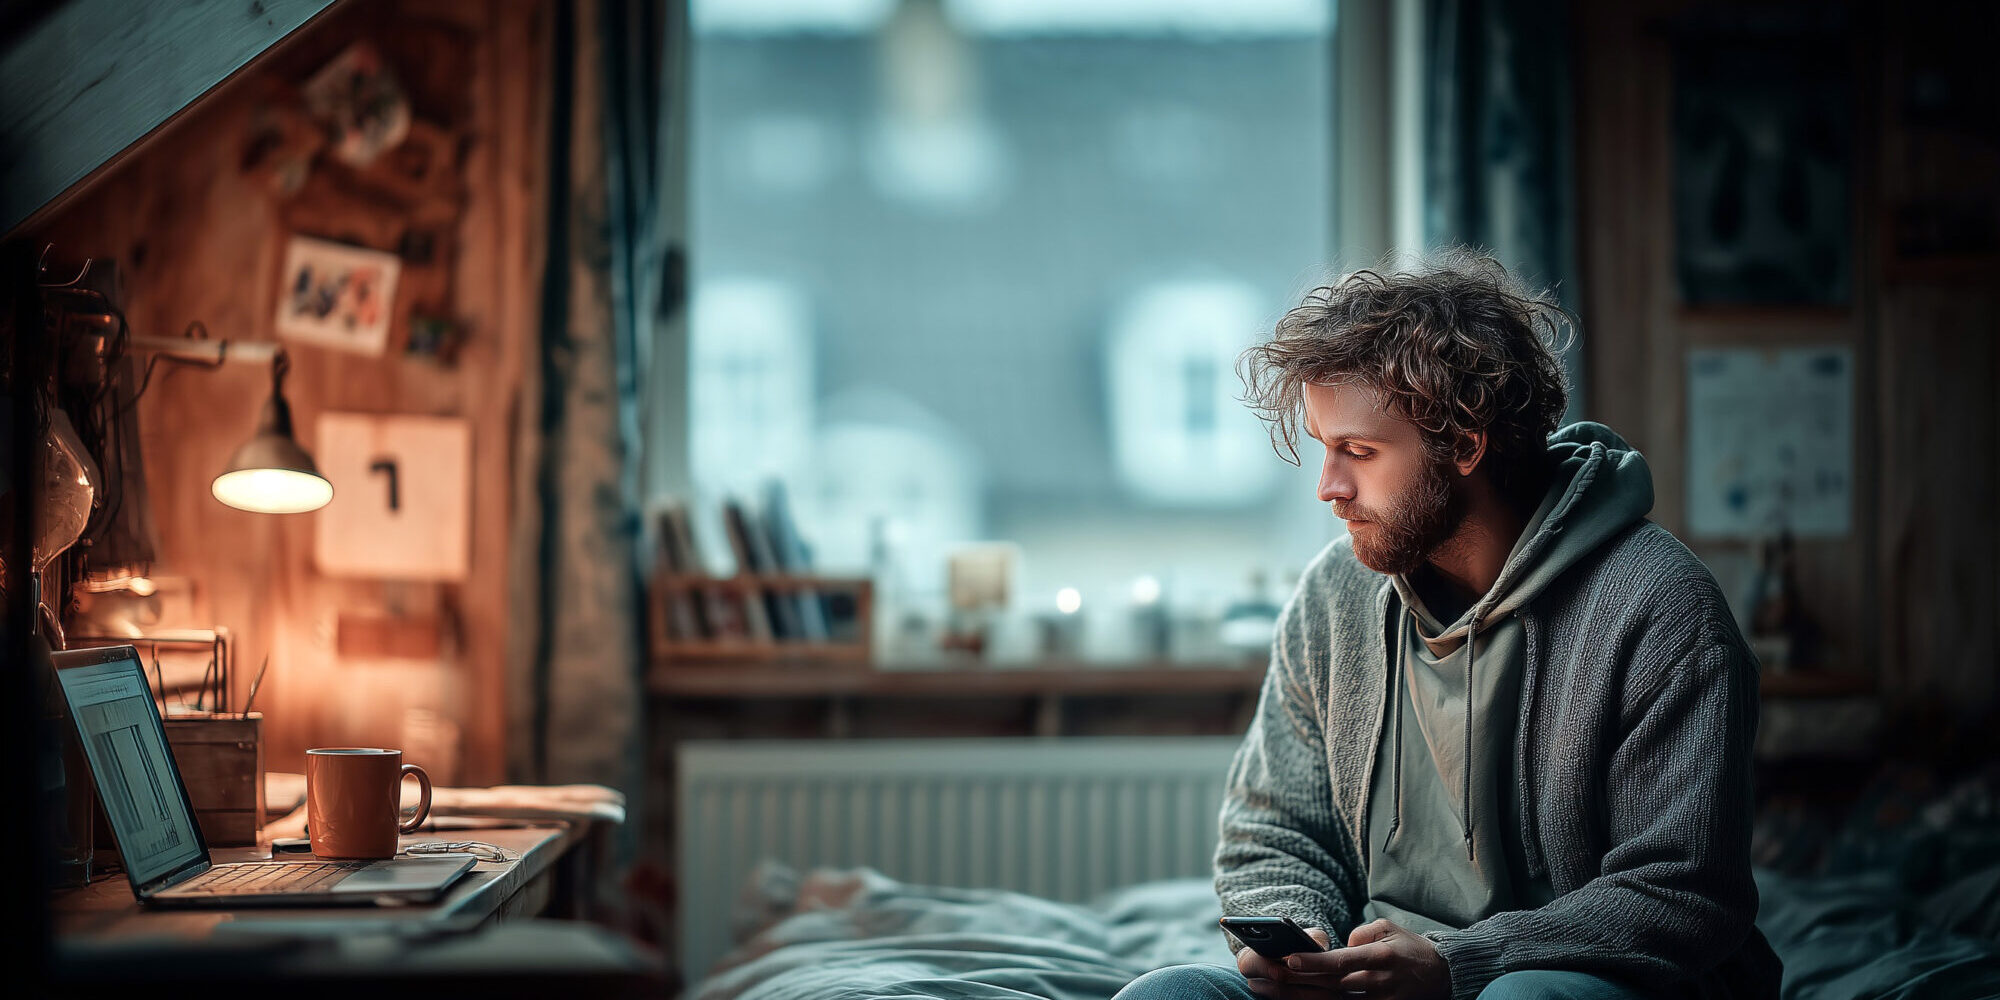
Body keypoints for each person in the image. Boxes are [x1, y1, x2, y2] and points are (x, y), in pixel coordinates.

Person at [1114, 253, 1780, 1000]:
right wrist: (1301, 945)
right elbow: (1275, 830)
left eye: (1358, 452)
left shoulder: (1661, 608)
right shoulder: (1335, 595)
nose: (1328, 487)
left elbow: (1682, 891)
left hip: (1579, 978)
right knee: (1165, 994)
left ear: (1465, 443)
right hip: (1370, 987)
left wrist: (1456, 964)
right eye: (1324, 448)